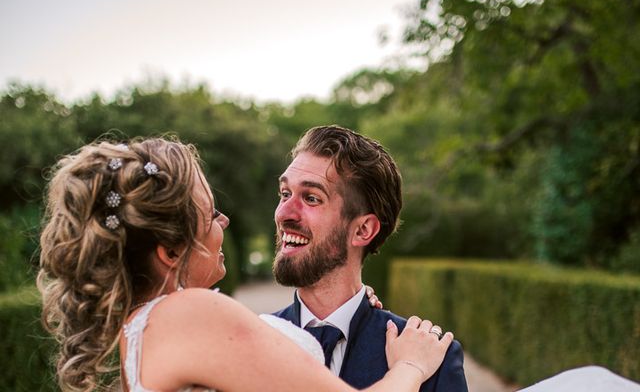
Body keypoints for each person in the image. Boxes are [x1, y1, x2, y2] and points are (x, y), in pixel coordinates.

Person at [38, 137, 454, 392]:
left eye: (310, 197)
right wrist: (411, 366)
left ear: (363, 230)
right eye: (212, 215)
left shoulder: (146, 330)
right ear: (169, 251)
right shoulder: (191, 315)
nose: (225, 222)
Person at [272, 125, 468, 391]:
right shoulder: (245, 341)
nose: (284, 213)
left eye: (311, 198)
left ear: (363, 230)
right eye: (285, 194)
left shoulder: (433, 358)